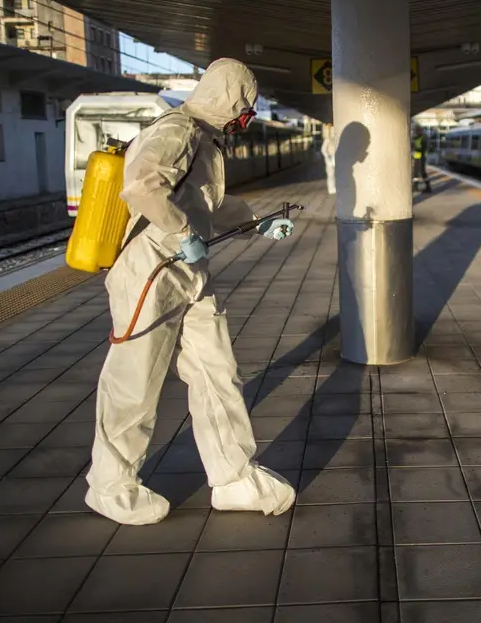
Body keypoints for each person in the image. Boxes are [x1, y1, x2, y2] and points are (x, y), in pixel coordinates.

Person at [86, 58, 297, 526]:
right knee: (135, 381)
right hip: (152, 273)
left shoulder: (204, 139)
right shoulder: (178, 130)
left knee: (217, 372)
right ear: (231, 100)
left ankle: (233, 476)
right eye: (246, 106)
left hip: (188, 275)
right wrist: (182, 233)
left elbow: (206, 205)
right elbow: (142, 186)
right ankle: (110, 485)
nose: (248, 118)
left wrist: (257, 223)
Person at [412, 125, 431, 193]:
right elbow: (414, 145)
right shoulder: (415, 137)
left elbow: (423, 147)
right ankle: (415, 187)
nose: (415, 132)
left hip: (422, 157)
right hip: (417, 157)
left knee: (422, 172)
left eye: (416, 130)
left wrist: (417, 149)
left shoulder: (424, 137)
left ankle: (428, 188)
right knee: (415, 173)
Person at [321, 123, 336, 195]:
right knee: (331, 175)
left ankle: (334, 187)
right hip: (330, 159)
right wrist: (328, 157)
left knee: (334, 174)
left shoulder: (334, 139)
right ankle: (331, 188)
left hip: (334, 158)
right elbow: (323, 150)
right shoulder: (327, 140)